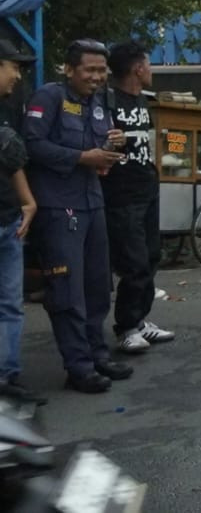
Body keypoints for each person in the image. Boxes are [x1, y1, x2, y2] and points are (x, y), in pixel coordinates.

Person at [22, 39, 133, 394]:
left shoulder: (99, 102)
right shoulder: (49, 98)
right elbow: (32, 146)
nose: (98, 77)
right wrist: (82, 158)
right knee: (67, 290)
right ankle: (79, 367)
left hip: (92, 202)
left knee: (98, 286)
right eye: (90, 70)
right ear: (69, 69)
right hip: (58, 205)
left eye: (102, 71)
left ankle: (97, 355)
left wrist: (118, 142)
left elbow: (104, 149)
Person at [100, 42, 174, 354]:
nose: (151, 70)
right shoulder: (106, 101)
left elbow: (161, 138)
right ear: (138, 69)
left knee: (152, 255)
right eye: (149, 64)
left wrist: (176, 146)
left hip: (147, 186)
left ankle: (141, 320)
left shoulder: (142, 102)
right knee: (134, 262)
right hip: (121, 192)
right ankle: (126, 327)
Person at [0, 38, 41, 404]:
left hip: (9, 221)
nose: (17, 75)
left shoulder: (6, 108)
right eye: (13, 66)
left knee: (10, 304)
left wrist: (27, 203)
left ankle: (6, 378)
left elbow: (11, 161)